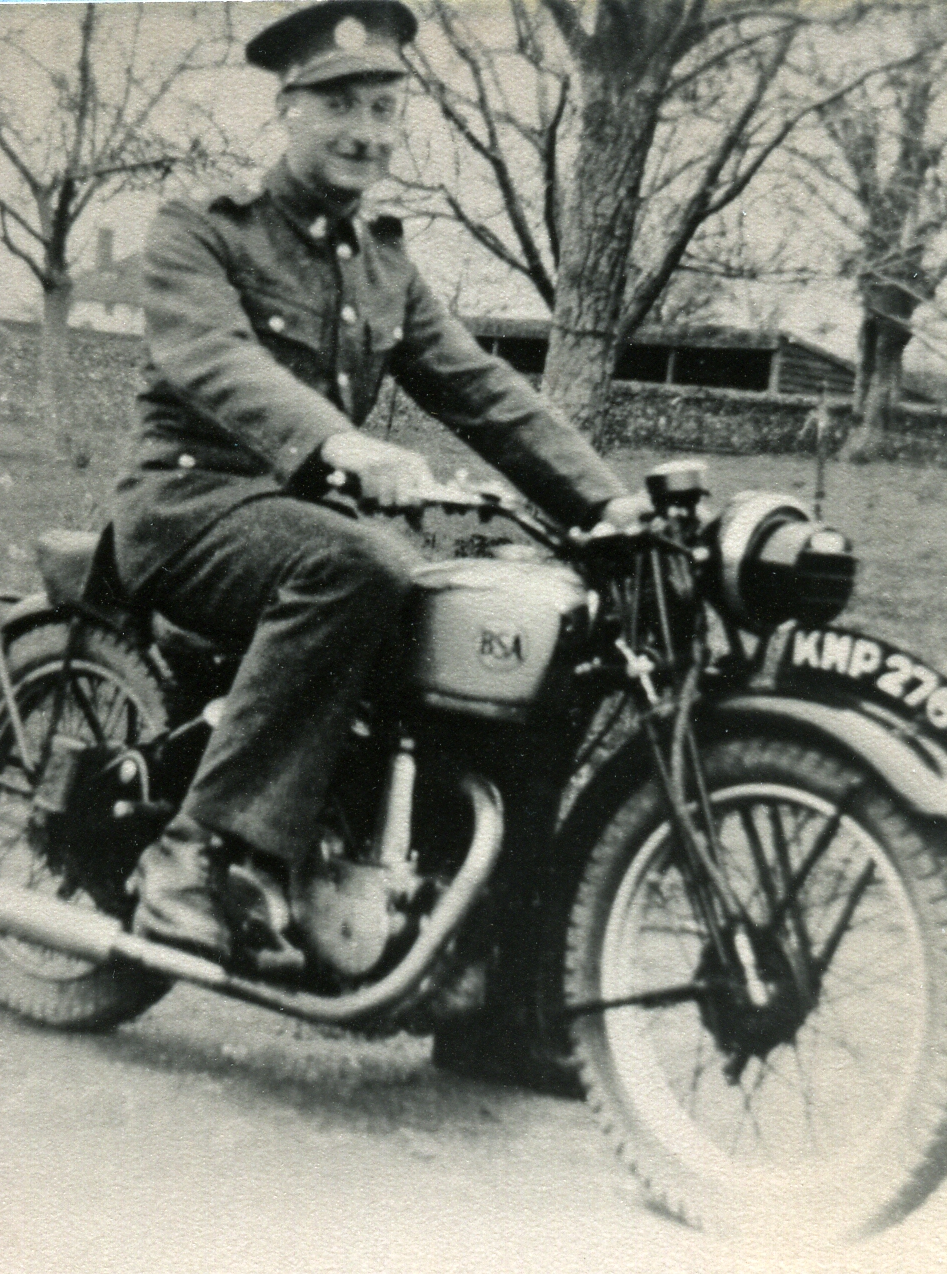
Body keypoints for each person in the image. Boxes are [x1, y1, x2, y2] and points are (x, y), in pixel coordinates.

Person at [113, 0, 645, 975]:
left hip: (304, 520)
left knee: (497, 602)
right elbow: (215, 358)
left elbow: (481, 390)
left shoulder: (382, 263)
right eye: (338, 104)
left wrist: (609, 503)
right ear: (288, 107)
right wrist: (341, 445)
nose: (365, 131)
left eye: (384, 108)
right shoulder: (204, 226)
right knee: (359, 563)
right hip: (190, 510)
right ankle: (192, 858)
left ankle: (472, 959)